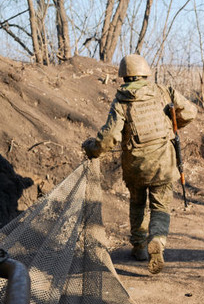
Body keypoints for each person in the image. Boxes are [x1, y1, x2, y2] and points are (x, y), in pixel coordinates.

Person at [83, 54, 196, 274]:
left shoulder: (121, 102)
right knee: (160, 206)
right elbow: (190, 112)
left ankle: (139, 247)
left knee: (137, 204)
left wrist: (91, 148)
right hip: (163, 163)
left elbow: (109, 138)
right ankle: (158, 240)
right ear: (146, 72)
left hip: (135, 166)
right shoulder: (165, 92)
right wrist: (173, 126)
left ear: (124, 76)